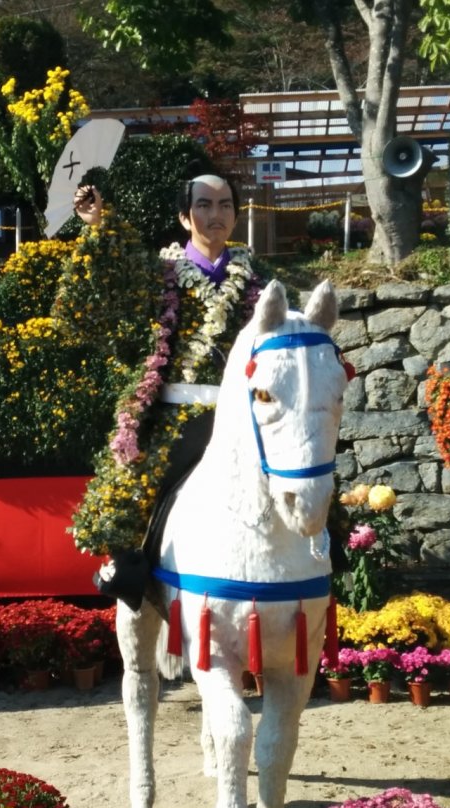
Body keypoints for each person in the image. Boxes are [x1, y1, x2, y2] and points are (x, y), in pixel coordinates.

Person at [68, 174, 265, 608]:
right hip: (175, 417)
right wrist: (98, 225)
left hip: (243, 419)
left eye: (225, 205)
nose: (216, 215)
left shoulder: (260, 277)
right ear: (183, 215)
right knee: (130, 494)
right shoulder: (160, 273)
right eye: (204, 205)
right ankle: (129, 572)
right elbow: (105, 292)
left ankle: (326, 557)